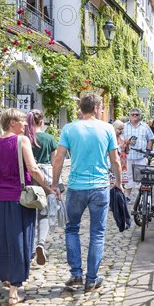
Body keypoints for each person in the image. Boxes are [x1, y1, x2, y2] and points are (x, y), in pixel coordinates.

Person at [0, 108, 55, 306]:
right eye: (22, 121)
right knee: (19, 241)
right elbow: (33, 168)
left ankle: (6, 277)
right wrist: (48, 188)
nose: (25, 125)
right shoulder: (21, 141)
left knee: (1, 240)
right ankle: (14, 290)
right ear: (12, 122)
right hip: (18, 200)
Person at [51, 94, 123, 292]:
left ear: (82, 109)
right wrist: (117, 182)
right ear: (97, 108)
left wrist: (55, 184)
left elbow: (58, 159)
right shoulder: (107, 129)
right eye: (101, 108)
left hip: (76, 187)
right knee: (97, 233)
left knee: (72, 228)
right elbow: (115, 160)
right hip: (100, 187)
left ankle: (76, 274)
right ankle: (91, 279)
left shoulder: (69, 128)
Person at [24, 109, 58, 266]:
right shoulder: (49, 138)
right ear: (41, 122)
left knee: (28, 211)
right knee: (43, 213)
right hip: (45, 177)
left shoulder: (23, 139)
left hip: (28, 176)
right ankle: (41, 244)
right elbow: (55, 162)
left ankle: (29, 248)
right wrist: (56, 184)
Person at [122, 108, 154, 199]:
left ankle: (142, 198)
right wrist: (127, 142)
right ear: (129, 116)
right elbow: (119, 140)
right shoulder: (125, 126)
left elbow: (151, 138)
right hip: (128, 156)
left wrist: (147, 151)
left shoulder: (145, 126)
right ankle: (127, 196)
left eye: (137, 114)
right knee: (128, 177)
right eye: (133, 114)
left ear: (140, 116)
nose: (135, 116)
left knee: (141, 177)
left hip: (141, 156)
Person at [112, 120, 129, 192]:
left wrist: (127, 144)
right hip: (115, 161)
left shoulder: (122, 137)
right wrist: (121, 146)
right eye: (119, 129)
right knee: (113, 182)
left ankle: (119, 198)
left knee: (123, 183)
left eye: (122, 129)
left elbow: (127, 151)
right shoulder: (112, 138)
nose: (121, 131)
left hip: (123, 161)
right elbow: (113, 150)